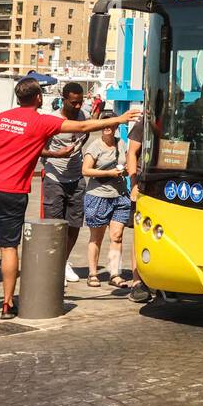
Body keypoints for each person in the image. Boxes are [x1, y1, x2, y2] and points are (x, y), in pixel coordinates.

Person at [0, 78, 140, 319]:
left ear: (18, 98)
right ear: (39, 98)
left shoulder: (1, 118)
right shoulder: (42, 121)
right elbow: (82, 128)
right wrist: (120, 119)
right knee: (9, 247)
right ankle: (7, 305)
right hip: (11, 191)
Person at [41, 82, 89, 284]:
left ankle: (64, 261)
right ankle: (52, 264)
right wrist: (55, 154)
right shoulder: (51, 120)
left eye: (80, 102)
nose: (77, 107)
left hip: (76, 177)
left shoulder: (83, 116)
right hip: (55, 177)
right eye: (73, 103)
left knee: (75, 223)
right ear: (63, 99)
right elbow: (36, 149)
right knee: (55, 224)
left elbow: (83, 137)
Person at [82, 125, 132, 288]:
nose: (107, 127)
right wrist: (108, 173)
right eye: (104, 124)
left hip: (120, 196)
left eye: (110, 124)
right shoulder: (95, 146)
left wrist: (125, 171)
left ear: (116, 126)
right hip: (98, 196)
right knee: (97, 237)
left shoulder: (121, 143)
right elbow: (86, 170)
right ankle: (93, 273)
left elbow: (127, 162)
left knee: (117, 236)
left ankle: (114, 273)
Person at [123, 116, 152, 303]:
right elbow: (131, 153)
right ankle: (137, 282)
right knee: (139, 233)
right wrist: (133, 184)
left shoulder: (172, 119)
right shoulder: (142, 124)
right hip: (143, 183)